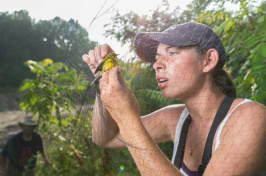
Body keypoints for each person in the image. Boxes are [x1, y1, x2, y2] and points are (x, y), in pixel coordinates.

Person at [82, 22, 266, 176]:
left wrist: (126, 116)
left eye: (172, 53)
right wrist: (107, 75)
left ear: (209, 60)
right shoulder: (176, 119)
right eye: (156, 57)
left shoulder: (250, 118)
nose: (156, 65)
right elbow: (104, 137)